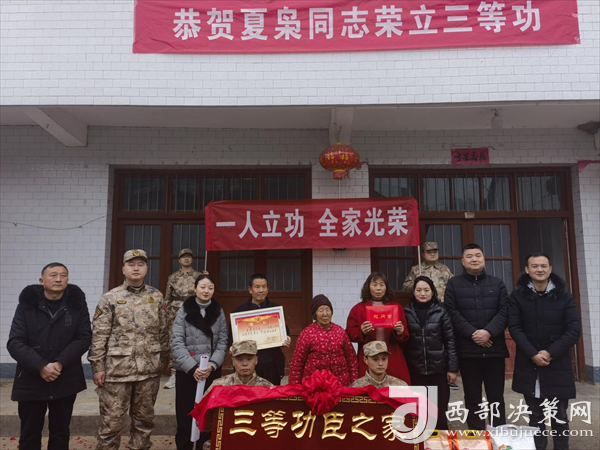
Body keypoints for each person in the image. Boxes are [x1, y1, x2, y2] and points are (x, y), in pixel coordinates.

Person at [88, 249, 169, 450]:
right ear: (123, 269)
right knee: (111, 423)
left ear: (146, 269)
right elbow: (99, 334)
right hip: (117, 371)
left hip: (148, 371)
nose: (136, 268)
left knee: (144, 422)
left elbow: (164, 331)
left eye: (140, 264)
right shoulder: (110, 298)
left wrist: (162, 360)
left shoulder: (156, 296)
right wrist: (97, 366)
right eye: (131, 264)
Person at [7, 262, 92, 450]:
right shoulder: (27, 306)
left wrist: (59, 363)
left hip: (65, 378)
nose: (58, 279)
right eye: (53, 275)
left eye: (63, 275)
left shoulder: (77, 305)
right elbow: (15, 342)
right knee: (29, 432)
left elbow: (84, 337)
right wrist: (41, 366)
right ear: (42, 280)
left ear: (68, 280)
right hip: (31, 378)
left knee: (60, 432)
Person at [509, 253, 581, 450]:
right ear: (527, 270)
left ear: (550, 269)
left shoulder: (565, 297)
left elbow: (573, 330)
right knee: (535, 415)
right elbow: (515, 327)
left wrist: (549, 353)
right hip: (529, 363)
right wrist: (533, 354)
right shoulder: (518, 296)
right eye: (534, 266)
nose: (539, 269)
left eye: (543, 266)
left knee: (559, 415)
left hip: (558, 364)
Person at [445, 243, 509, 430]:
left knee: (496, 397)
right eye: (470, 256)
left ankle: (498, 435)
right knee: (472, 397)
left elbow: (504, 311)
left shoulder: (497, 283)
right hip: (468, 351)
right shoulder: (454, 284)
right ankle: (477, 436)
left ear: (484, 258)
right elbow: (451, 312)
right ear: (463, 261)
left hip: (494, 350)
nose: (474, 259)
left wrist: (488, 332)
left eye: (478, 255)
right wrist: (473, 334)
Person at [171, 274, 228, 450]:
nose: (206, 291)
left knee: (208, 417)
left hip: (210, 372)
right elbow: (177, 342)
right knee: (185, 416)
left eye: (210, 288)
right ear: (195, 288)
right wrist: (192, 368)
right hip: (188, 372)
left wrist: (212, 365)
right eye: (202, 287)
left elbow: (223, 341)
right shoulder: (184, 311)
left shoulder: (218, 311)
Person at [404, 276, 459, 430]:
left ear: (432, 292)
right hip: (415, 369)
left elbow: (450, 341)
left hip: (438, 370)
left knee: (439, 411)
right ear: (413, 292)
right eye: (419, 290)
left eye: (426, 290)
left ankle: (440, 440)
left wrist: (452, 369)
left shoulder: (441, 312)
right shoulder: (406, 312)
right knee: (419, 412)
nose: (422, 293)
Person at [201, 340, 274, 450]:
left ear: (256, 360)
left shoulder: (267, 388)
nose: (244, 364)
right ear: (233, 362)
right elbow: (201, 423)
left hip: (257, 441)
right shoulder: (219, 386)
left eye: (249, 359)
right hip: (226, 439)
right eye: (239, 359)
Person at [346, 272, 411, 384]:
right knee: (368, 390)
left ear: (386, 287)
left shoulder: (396, 308)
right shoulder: (358, 309)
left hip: (392, 354)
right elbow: (350, 333)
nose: (378, 288)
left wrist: (400, 332)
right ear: (368, 287)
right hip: (369, 358)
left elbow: (406, 334)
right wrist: (362, 332)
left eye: (382, 284)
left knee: (396, 390)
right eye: (374, 284)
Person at [228, 273, 291, 385]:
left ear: (267, 289)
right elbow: (231, 337)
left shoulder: (275, 310)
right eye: (257, 287)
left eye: (264, 287)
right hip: (247, 365)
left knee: (271, 394)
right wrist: (231, 346)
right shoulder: (239, 313)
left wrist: (286, 338)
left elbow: (284, 331)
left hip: (271, 364)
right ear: (250, 289)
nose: (261, 290)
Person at [289, 295, 358, 386]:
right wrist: (294, 386)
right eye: (321, 310)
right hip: (315, 386)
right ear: (315, 314)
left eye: (328, 310)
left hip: (340, 384)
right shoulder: (307, 334)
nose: (325, 314)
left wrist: (355, 383)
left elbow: (351, 359)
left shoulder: (340, 331)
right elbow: (297, 363)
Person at [164, 248, 203, 389]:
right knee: (175, 341)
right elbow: (167, 298)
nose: (186, 259)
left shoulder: (199, 276)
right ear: (179, 260)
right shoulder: (173, 277)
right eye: (183, 257)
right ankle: (174, 373)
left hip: (193, 311)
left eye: (189, 256)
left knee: (194, 340)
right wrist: (167, 314)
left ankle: (195, 369)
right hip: (175, 312)